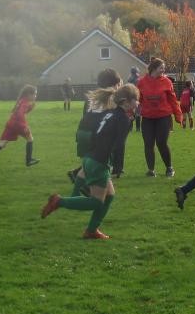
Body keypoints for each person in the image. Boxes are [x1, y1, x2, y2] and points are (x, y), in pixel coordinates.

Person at [40, 82, 139, 240]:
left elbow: (96, 134)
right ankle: (59, 202)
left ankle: (91, 230)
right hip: (99, 162)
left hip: (90, 157)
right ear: (126, 102)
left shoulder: (110, 113)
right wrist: (118, 167)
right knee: (96, 202)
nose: (138, 103)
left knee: (109, 196)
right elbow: (120, 145)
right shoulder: (123, 119)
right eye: (136, 99)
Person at [66, 68, 122, 191]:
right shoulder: (111, 97)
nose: (119, 86)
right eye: (118, 84)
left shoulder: (93, 95)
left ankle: (78, 183)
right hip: (94, 134)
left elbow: (85, 114)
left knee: (90, 161)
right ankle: (89, 187)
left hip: (82, 132)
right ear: (114, 83)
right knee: (100, 161)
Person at [136, 57, 182, 177]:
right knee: (148, 143)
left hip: (163, 117)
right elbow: (138, 100)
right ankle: (151, 170)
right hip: (147, 117)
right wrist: (131, 112)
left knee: (161, 142)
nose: (163, 70)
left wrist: (178, 115)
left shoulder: (167, 82)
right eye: (161, 67)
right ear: (154, 68)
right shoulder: (142, 82)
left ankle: (169, 168)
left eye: (163, 68)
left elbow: (173, 100)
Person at [0, 85, 39, 169]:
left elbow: (20, 112)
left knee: (3, 143)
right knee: (30, 139)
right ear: (29, 94)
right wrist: (24, 126)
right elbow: (20, 114)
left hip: (11, 123)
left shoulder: (21, 101)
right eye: (35, 94)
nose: (35, 96)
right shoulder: (25, 102)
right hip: (19, 124)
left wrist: (31, 107)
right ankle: (28, 160)